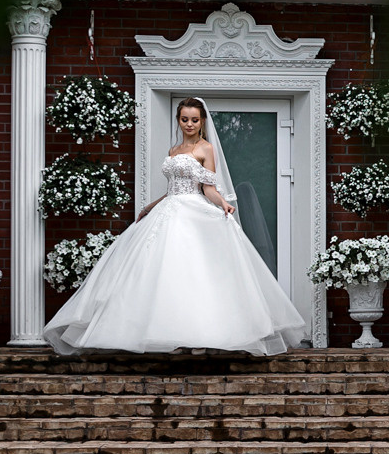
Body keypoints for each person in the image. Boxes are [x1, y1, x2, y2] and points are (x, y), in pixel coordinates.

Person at [43, 97, 307, 354]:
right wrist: (149, 206)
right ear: (179, 120)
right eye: (184, 119)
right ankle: (170, 335)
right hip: (169, 210)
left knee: (194, 271)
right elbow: (172, 190)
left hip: (194, 212)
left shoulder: (206, 149)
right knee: (162, 272)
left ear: (202, 122)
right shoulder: (173, 151)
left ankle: (201, 336)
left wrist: (223, 204)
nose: (189, 124)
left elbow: (208, 188)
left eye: (194, 120)